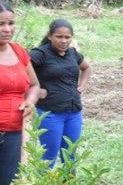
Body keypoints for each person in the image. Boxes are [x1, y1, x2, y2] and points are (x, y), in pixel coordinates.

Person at [28, 19, 91, 167]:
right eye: (59, 37)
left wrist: (82, 85)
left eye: (67, 37)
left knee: (70, 155)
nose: (64, 41)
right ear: (50, 36)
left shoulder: (73, 53)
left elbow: (86, 68)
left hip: (74, 112)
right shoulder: (40, 54)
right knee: (48, 156)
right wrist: (33, 89)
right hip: (50, 113)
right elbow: (19, 67)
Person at [0, 1, 41, 185]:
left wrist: (30, 101)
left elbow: (34, 85)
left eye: (10, 23)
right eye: (1, 24)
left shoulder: (18, 51)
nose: (7, 29)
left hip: (15, 132)